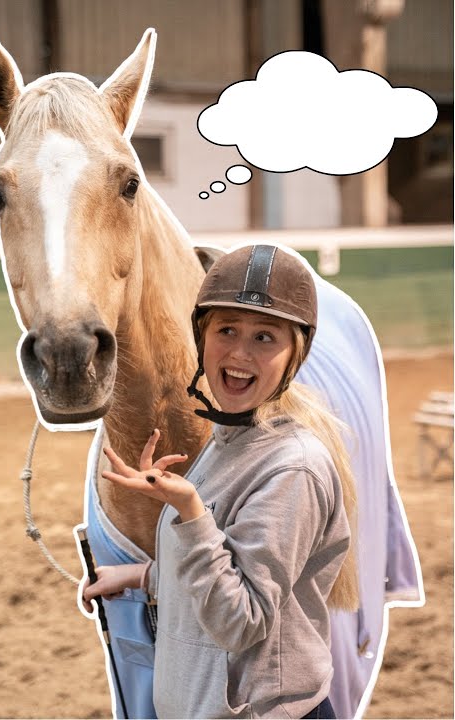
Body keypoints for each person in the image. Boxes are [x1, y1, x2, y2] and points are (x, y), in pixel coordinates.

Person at [82, 244, 359, 719]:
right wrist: (144, 576)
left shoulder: (293, 469)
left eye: (265, 338)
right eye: (226, 330)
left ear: (296, 353)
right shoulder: (229, 435)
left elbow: (241, 621)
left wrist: (190, 511)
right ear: (202, 336)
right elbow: (228, 564)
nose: (239, 353)